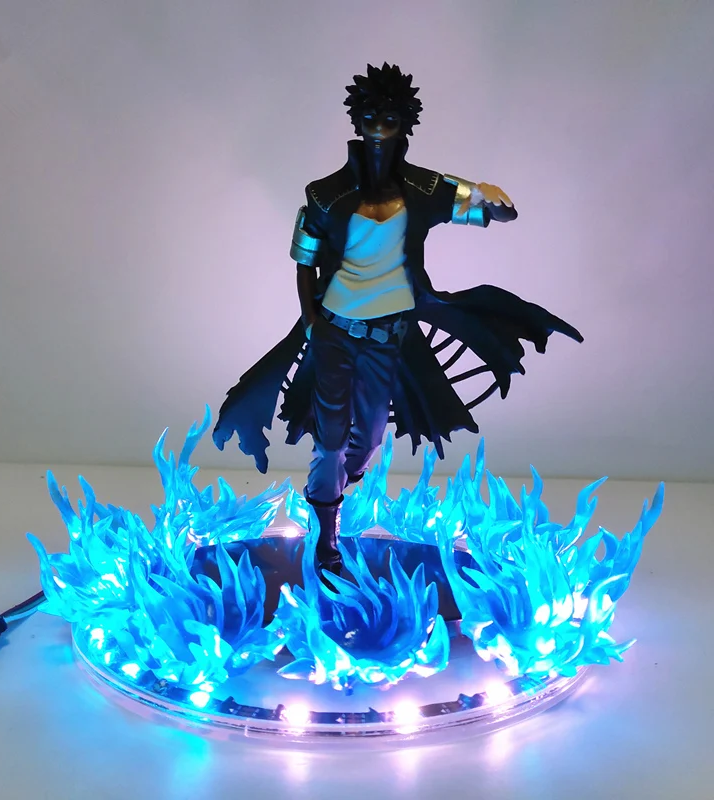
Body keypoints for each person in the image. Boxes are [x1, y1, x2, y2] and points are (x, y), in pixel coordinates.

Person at [213, 63, 582, 582]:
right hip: (335, 331)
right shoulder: (324, 194)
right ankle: (326, 538)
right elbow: (303, 263)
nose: (378, 127)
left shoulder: (424, 188)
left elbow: (495, 213)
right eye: (369, 117)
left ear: (405, 123)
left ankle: (335, 489)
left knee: (365, 443)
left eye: (389, 118)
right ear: (356, 121)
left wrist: (493, 199)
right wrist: (312, 323)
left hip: (388, 335)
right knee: (331, 440)